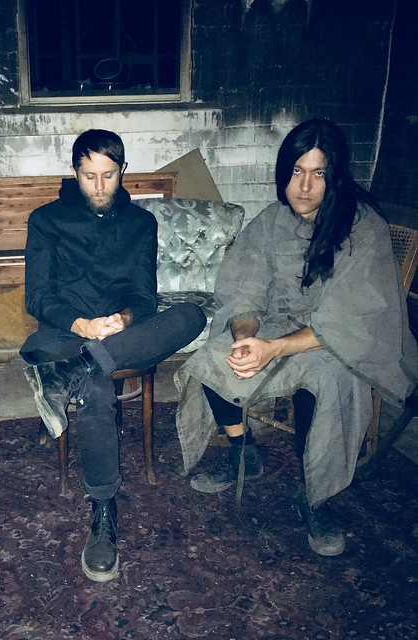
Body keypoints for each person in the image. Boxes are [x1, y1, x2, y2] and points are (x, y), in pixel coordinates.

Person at [174, 119, 418, 556]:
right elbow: (245, 287)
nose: (304, 186)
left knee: (326, 380)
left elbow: (351, 318)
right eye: (296, 171)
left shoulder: (364, 227)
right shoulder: (272, 220)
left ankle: (314, 494)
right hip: (277, 324)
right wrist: (248, 337)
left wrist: (275, 349)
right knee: (214, 354)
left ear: (335, 175)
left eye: (318, 173)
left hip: (339, 339)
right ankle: (243, 451)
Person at [21, 129, 206, 582]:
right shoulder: (45, 220)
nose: (100, 186)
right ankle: (103, 510)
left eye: (109, 175)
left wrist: (124, 318)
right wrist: (82, 325)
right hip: (65, 332)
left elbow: (145, 296)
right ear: (74, 172)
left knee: (192, 315)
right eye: (90, 176)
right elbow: (37, 297)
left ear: (123, 171)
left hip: (121, 334)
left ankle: (72, 372)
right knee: (98, 387)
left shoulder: (141, 223)